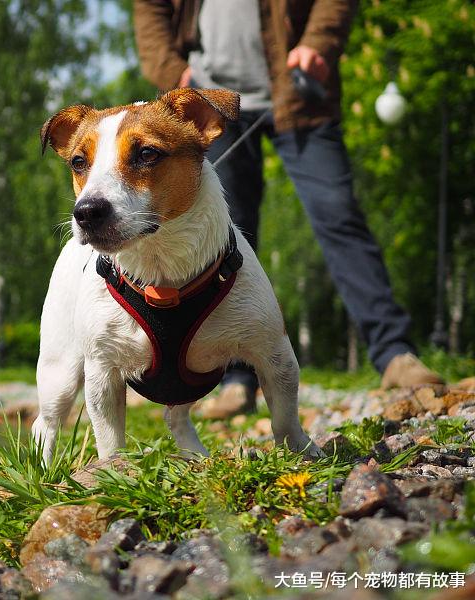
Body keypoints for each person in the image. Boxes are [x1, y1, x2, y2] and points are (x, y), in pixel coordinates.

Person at [134, 0, 443, 417]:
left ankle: (394, 354)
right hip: (209, 104)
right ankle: (236, 378)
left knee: (338, 216)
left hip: (299, 93)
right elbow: (150, 10)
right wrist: (174, 72)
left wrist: (318, 42)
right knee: (222, 238)